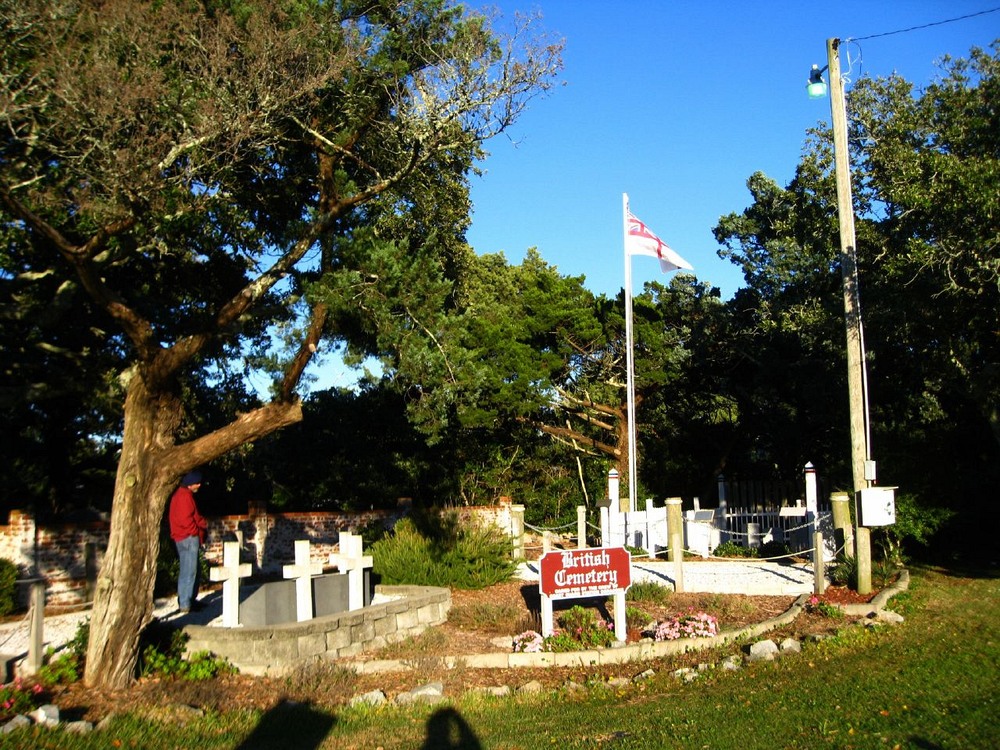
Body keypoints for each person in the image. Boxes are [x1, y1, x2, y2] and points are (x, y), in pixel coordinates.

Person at [169, 470, 207, 612]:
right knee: (190, 571)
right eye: (197, 483)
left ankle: (189, 599)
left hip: (183, 537)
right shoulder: (184, 497)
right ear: (190, 484)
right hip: (187, 537)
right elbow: (187, 520)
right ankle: (186, 603)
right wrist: (195, 532)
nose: (199, 485)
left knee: (189, 570)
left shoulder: (182, 495)